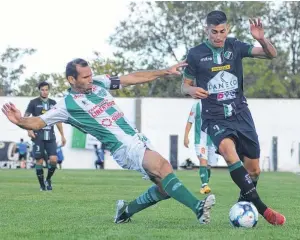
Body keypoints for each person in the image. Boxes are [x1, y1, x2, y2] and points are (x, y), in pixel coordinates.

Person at [2, 58, 215, 225]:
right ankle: (198, 208)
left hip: (137, 138)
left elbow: (129, 78)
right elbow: (38, 122)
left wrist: (165, 71)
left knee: (166, 188)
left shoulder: (98, 83)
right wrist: (19, 120)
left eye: (90, 74)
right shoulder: (66, 105)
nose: (89, 79)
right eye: (84, 77)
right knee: (164, 167)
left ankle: (125, 212)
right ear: (71, 80)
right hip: (123, 147)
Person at [181, 10, 285, 225]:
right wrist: (190, 91)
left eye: (221, 31)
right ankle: (264, 210)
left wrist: (262, 39)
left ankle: (243, 204)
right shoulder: (195, 54)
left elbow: (271, 54)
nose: (218, 36)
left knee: (254, 170)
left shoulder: (235, 46)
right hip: (214, 116)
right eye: (213, 32)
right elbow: (184, 85)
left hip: (240, 114)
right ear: (205, 30)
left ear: (227, 29)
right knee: (229, 153)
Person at [24, 81, 67, 191]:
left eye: (46, 89)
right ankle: (42, 185)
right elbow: (26, 117)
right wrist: (29, 130)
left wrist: (62, 135)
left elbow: (58, 120)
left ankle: (48, 179)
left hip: (50, 136)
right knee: (39, 161)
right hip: (37, 135)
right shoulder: (33, 102)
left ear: (49, 90)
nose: (45, 92)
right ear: (39, 90)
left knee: (53, 159)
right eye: (42, 90)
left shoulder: (53, 103)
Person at [184, 100, 217, 194]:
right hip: (200, 140)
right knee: (203, 160)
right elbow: (190, 121)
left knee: (209, 165)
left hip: (212, 140)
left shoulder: (216, 104)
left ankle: (206, 183)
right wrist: (186, 137)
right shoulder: (197, 106)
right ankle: (204, 185)